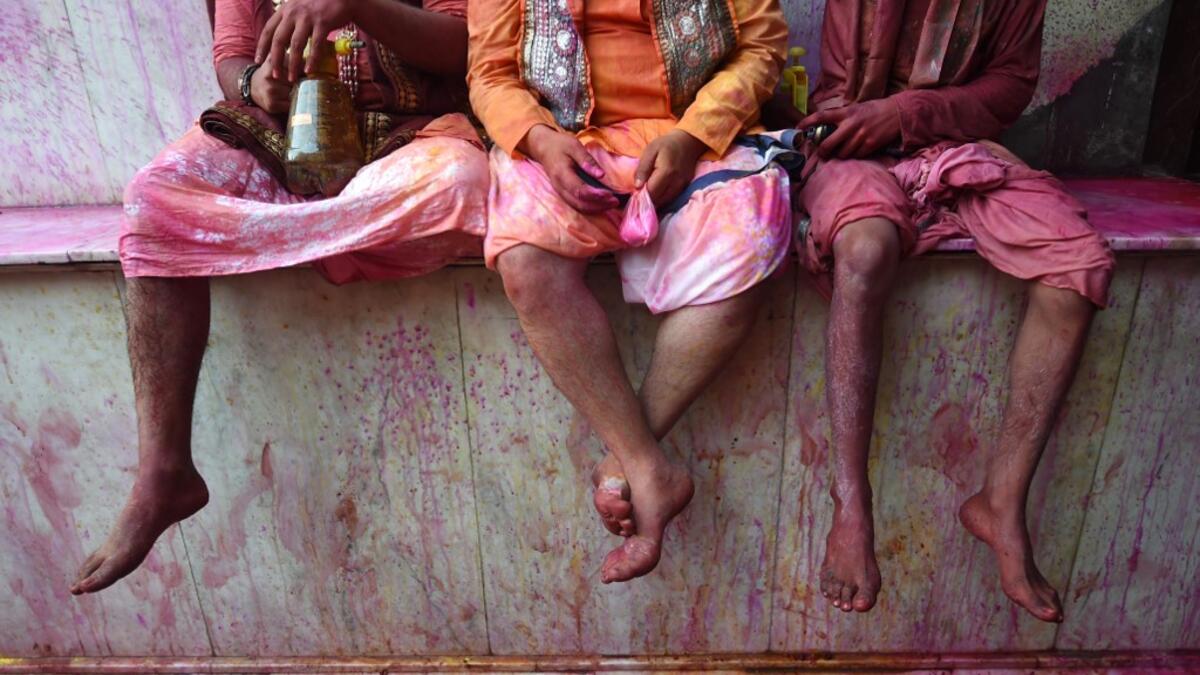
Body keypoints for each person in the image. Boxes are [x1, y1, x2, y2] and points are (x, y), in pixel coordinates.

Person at [71, 0, 488, 595]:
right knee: (152, 201)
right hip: (278, 135)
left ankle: (297, 229)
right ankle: (164, 469)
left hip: (413, 134)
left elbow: (464, 45)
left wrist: (355, 5)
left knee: (459, 185)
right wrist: (254, 84)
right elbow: (232, 59)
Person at [793, 0, 1116, 621]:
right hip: (848, 145)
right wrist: (868, 120)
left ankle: (1001, 502)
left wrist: (905, 114)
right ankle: (850, 504)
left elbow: (1010, 86)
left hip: (955, 145)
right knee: (864, 249)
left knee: (1078, 267)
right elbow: (815, 83)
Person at [468, 0, 792, 583]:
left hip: (696, 140)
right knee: (524, 260)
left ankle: (630, 464)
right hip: (565, 146)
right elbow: (490, 73)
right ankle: (649, 468)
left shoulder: (696, 135)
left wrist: (693, 135)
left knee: (752, 241)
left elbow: (761, 47)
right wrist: (539, 140)